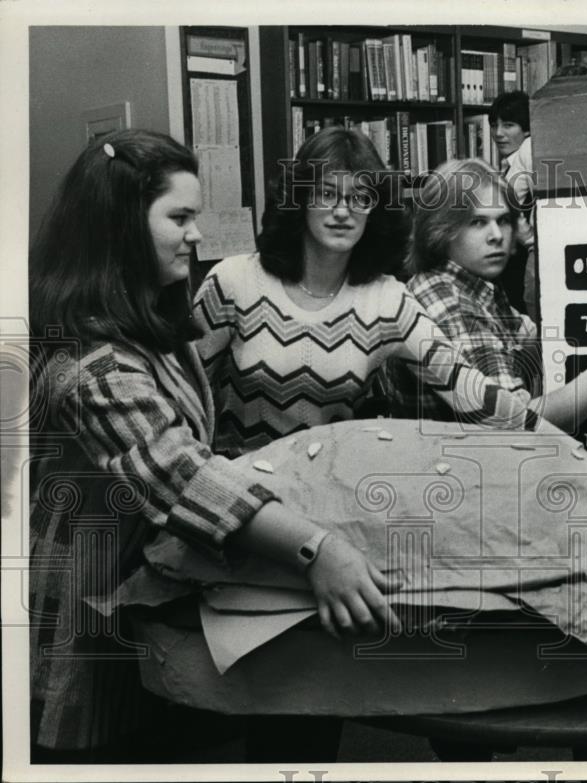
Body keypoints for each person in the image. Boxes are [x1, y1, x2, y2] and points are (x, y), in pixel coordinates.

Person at [28, 130, 400, 763]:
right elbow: (180, 474)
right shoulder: (91, 364)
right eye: (180, 217)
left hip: (147, 581)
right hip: (84, 605)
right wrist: (316, 549)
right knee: (95, 755)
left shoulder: (154, 331)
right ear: (121, 227)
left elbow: (202, 450)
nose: (197, 234)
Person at [193, 126, 537, 462]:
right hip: (238, 494)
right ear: (299, 199)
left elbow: (471, 392)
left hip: (330, 493)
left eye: (360, 197)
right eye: (327, 193)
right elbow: (184, 400)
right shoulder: (233, 282)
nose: (343, 211)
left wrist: (558, 439)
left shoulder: (387, 301)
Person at [383, 157, 587, 433]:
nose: (496, 235)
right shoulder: (452, 303)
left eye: (503, 220)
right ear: (440, 229)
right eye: (477, 222)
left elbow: (529, 342)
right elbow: (517, 426)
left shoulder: (466, 285)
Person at [488, 90, 536, 316]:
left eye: (508, 125)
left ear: (527, 129)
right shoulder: (509, 165)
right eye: (494, 125)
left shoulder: (526, 156)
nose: (498, 133)